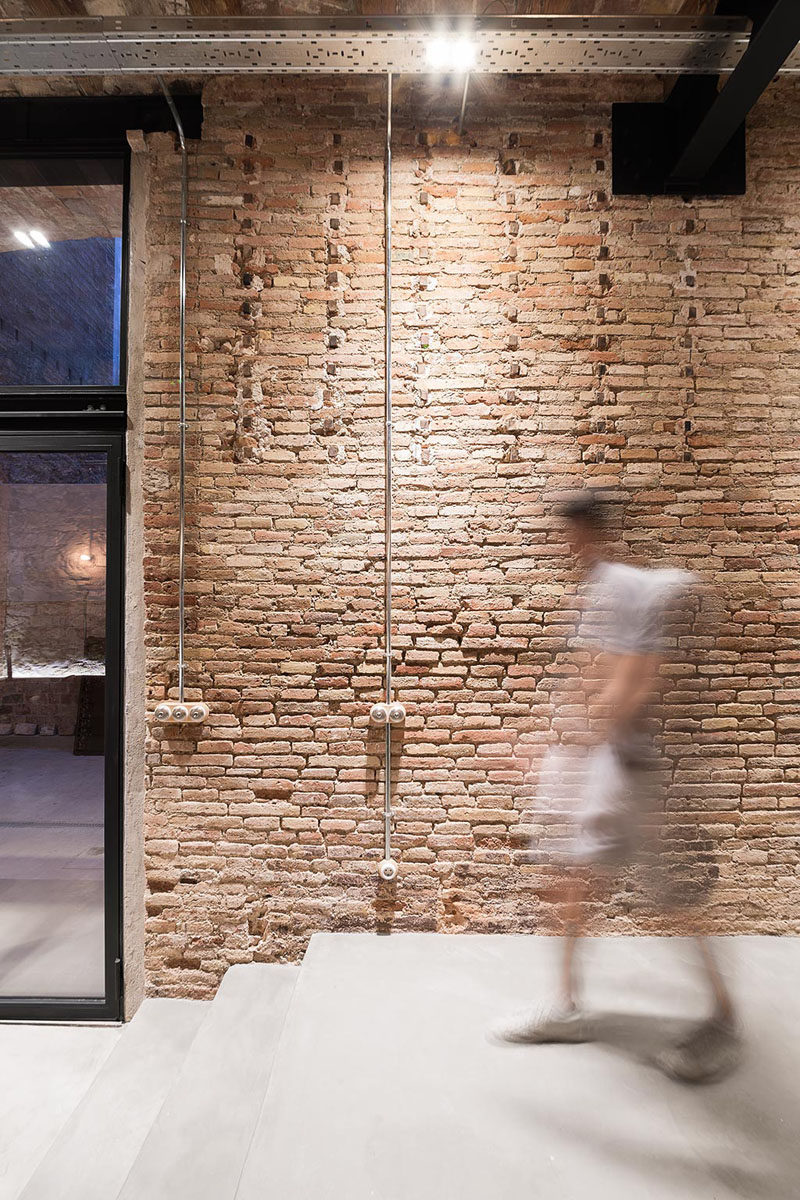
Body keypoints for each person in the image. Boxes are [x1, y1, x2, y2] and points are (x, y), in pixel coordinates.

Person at [494, 491, 741, 1083]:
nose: (565, 545)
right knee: (574, 880)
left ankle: (725, 1021)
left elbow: (634, 678)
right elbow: (590, 676)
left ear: (590, 533)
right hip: (602, 767)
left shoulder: (623, 588)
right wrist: (552, 739)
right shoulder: (594, 594)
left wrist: (578, 743)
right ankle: (566, 1006)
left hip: (629, 775)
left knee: (673, 899)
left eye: (571, 534)